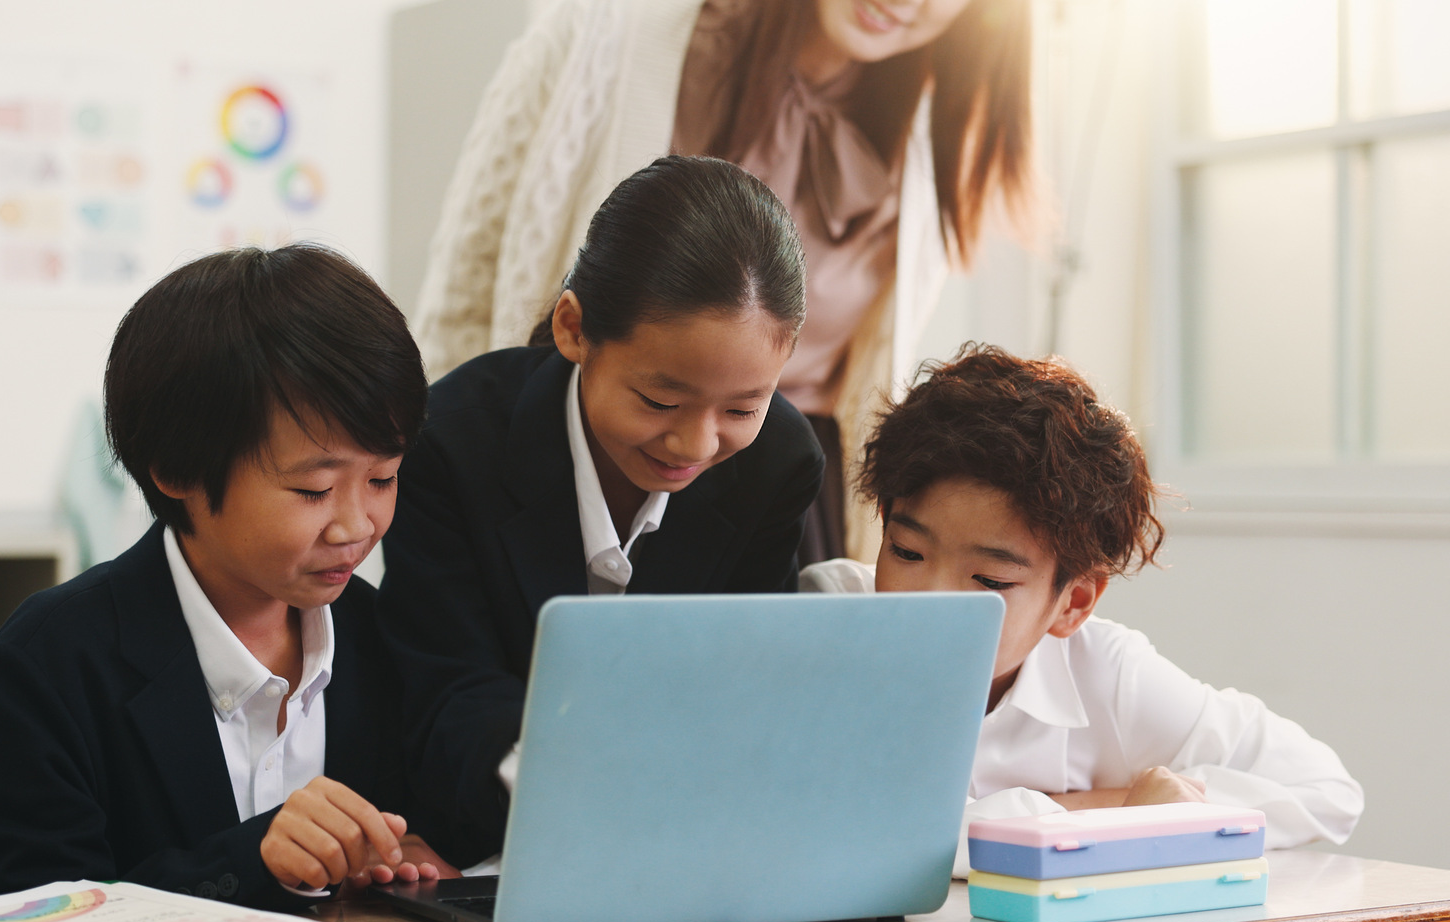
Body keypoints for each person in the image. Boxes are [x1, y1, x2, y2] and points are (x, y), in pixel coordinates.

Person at [417, 0, 1033, 563]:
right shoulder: (608, 35)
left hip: (775, 482)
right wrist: (454, 477)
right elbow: (467, 284)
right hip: (581, 455)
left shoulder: (938, 131)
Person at [0, 245, 451, 908]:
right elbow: (25, 914)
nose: (355, 525)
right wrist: (255, 861)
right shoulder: (50, 664)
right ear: (178, 469)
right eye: (312, 489)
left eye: (382, 478)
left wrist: (402, 859)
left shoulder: (391, 638)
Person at [381, 156, 825, 868]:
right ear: (572, 328)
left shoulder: (775, 461)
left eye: (743, 406)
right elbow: (447, 689)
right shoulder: (453, 443)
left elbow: (744, 678)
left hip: (689, 850)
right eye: (659, 401)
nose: (696, 443)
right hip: (486, 844)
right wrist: (581, 789)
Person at [801, 346, 1365, 876]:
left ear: (1072, 603)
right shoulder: (821, 625)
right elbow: (869, 832)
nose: (927, 601)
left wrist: (1100, 813)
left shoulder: (1106, 674)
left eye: (990, 580)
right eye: (906, 551)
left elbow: (1327, 791)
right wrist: (1120, 813)